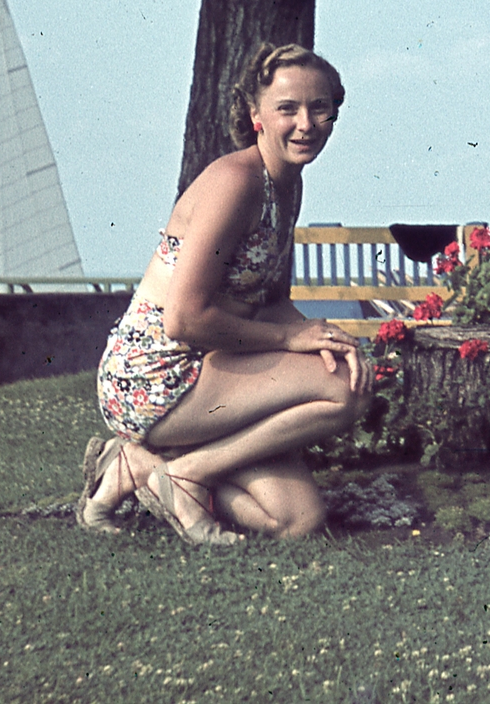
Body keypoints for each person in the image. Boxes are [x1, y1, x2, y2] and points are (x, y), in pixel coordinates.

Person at [76, 43, 374, 544]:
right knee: (341, 389)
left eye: (319, 108)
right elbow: (184, 320)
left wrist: (320, 336)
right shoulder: (236, 182)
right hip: (157, 375)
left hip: (213, 370)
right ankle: (185, 476)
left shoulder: (287, 184)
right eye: (287, 109)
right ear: (256, 115)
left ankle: (143, 466)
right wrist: (288, 342)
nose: (306, 123)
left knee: (297, 522)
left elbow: (270, 297)